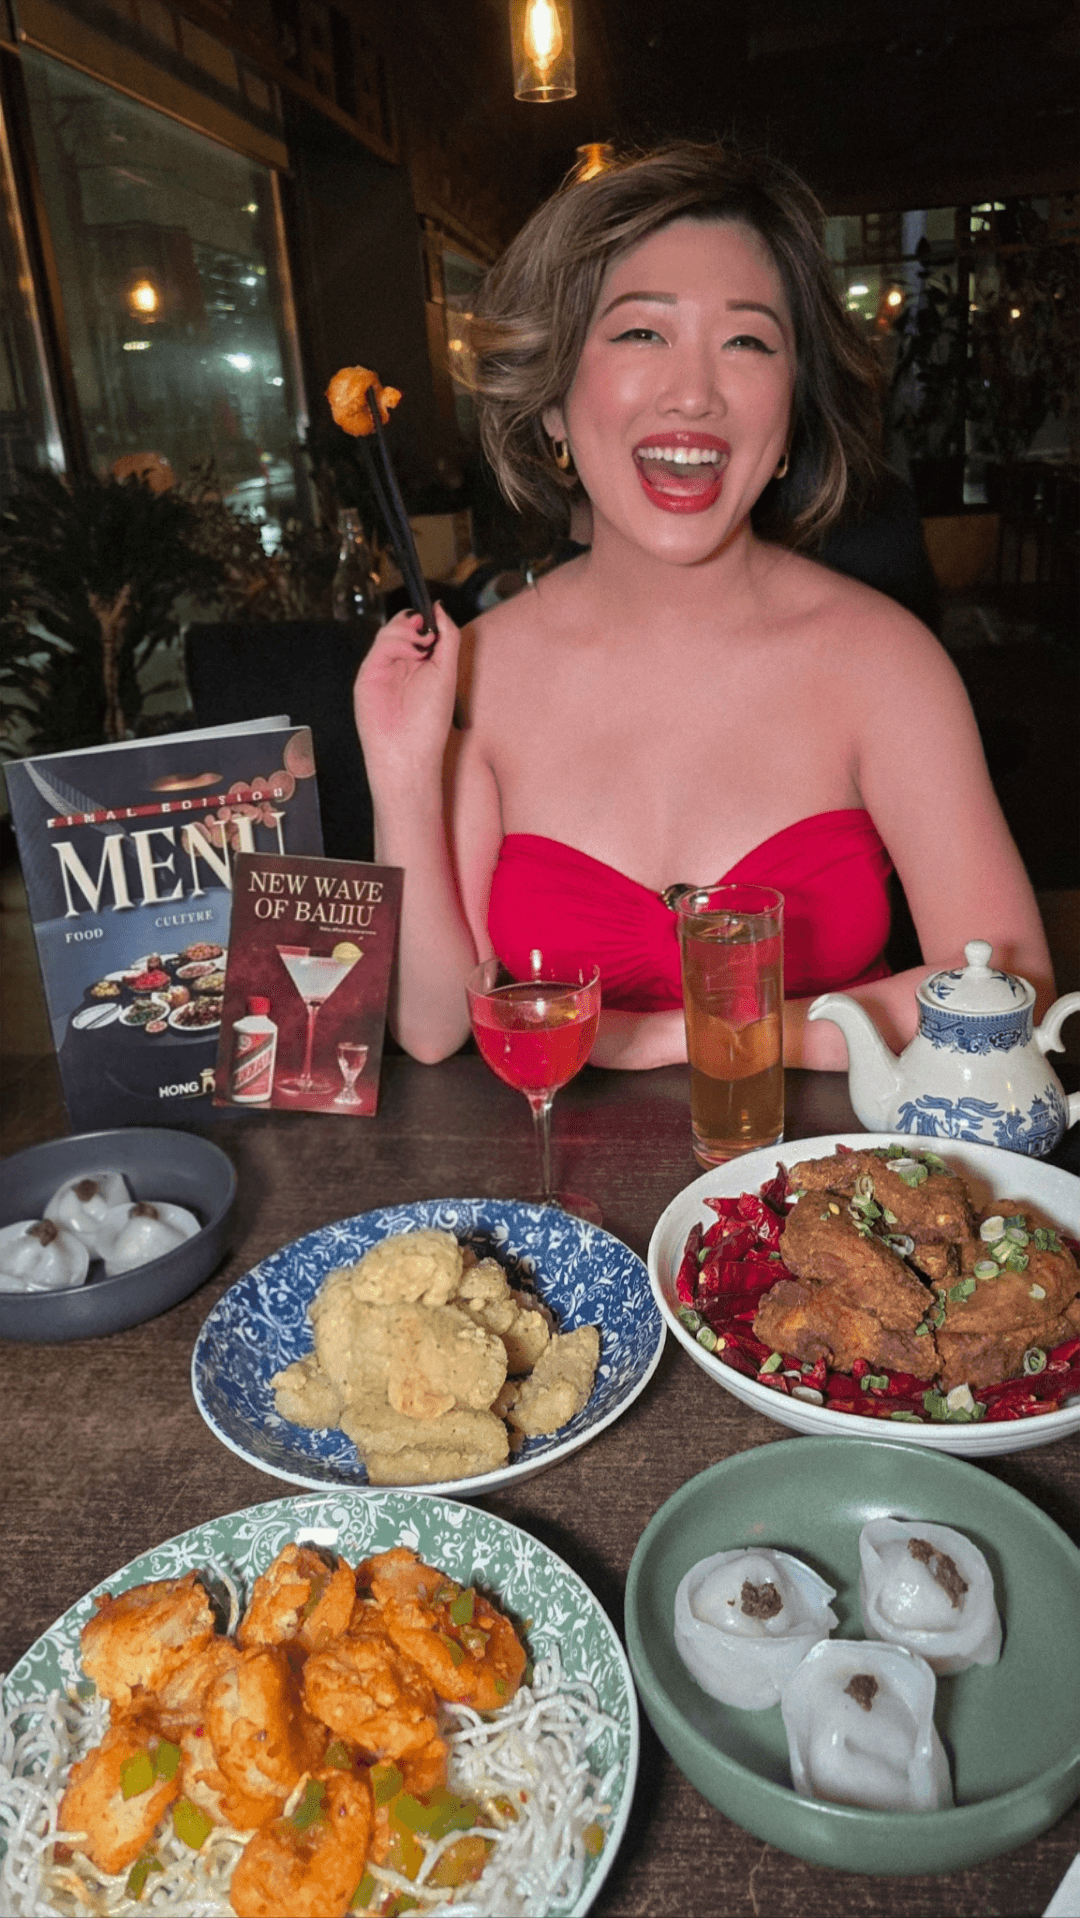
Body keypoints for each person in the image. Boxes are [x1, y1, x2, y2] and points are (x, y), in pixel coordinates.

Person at [354, 143, 1051, 1070]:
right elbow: (437, 1028)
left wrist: (673, 1038)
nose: (695, 392)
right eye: (642, 334)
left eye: (748, 341)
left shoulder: (882, 658)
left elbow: (1016, 990)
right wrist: (401, 777)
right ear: (555, 403)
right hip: (559, 1205)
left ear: (793, 413)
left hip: (838, 1192)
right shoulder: (475, 667)